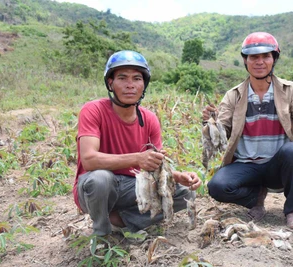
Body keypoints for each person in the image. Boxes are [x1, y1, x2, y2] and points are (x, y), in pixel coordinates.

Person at [202, 32, 293, 230]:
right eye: (253, 57)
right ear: (245, 60)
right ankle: (255, 198)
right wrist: (210, 122)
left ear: (274, 59)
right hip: (246, 164)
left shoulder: (291, 90)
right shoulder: (233, 95)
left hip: (277, 165)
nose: (260, 62)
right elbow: (223, 130)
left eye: (265, 56)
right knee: (217, 186)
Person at [73, 50, 201, 237]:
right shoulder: (93, 110)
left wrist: (177, 176)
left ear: (144, 84)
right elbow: (89, 161)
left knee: (185, 193)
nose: (130, 85)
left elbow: (153, 166)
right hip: (95, 187)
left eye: (137, 79)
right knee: (101, 179)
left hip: (130, 186)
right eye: (122, 78)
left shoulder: (149, 119)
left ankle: (119, 220)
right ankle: (101, 232)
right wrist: (137, 158)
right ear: (110, 83)